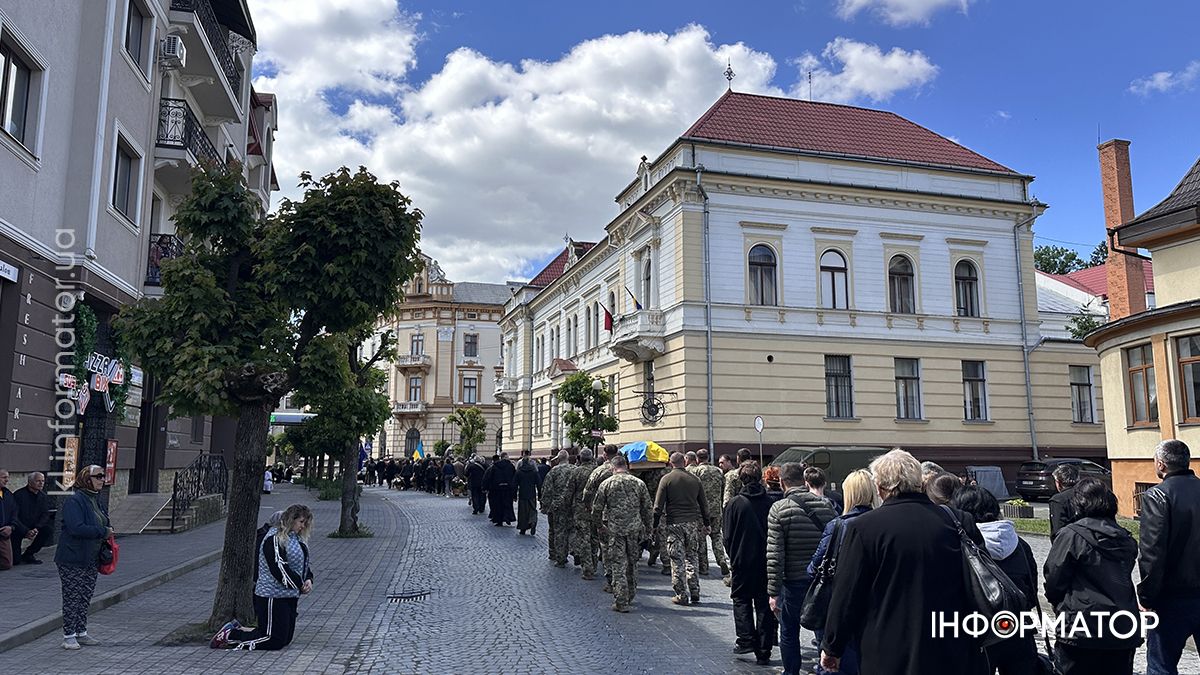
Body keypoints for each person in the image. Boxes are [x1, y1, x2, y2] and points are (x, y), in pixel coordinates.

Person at [821, 449, 978, 675]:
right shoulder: (958, 520)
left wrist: (832, 647)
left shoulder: (864, 527)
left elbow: (846, 594)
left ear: (881, 488)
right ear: (919, 482)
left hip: (887, 649)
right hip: (950, 644)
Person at [1043, 478, 1141, 674]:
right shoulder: (1125, 537)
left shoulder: (1071, 535)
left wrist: (1059, 605)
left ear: (1078, 505)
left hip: (1081, 626)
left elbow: (1053, 578)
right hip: (1121, 624)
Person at [951, 485, 1038, 675]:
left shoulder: (963, 548)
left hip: (979, 630)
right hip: (1019, 626)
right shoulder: (1021, 544)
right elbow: (1031, 591)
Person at [213, 504, 315, 651]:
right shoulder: (273, 539)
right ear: (291, 520)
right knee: (273, 641)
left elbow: (303, 564)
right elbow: (279, 568)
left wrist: (308, 580)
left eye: (305, 523)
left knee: (285, 639)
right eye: (301, 522)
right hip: (272, 595)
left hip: (289, 594)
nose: (303, 526)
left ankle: (240, 629)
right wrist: (299, 584)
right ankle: (230, 635)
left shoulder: (297, 540)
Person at [767, 462, 837, 675]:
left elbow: (775, 554)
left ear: (781, 482)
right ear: (804, 481)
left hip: (793, 581)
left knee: (789, 630)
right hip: (821, 580)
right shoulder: (826, 505)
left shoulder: (779, 509)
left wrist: (773, 591)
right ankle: (824, 669)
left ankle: (791, 672)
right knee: (821, 628)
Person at [1138, 439, 1200, 675]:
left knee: (1161, 664)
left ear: (1161, 464)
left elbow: (1152, 552)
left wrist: (1146, 596)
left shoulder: (1157, 496)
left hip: (1173, 596)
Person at [806, 469, 876, 675]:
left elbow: (815, 566)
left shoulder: (838, 525)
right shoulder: (882, 524)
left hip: (837, 606)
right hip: (872, 609)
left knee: (833, 663)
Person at [723, 460, 779, 666]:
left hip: (742, 560)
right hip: (766, 560)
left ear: (741, 479)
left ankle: (745, 639)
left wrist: (733, 555)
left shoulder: (735, 503)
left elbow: (727, 535)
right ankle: (764, 649)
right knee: (764, 604)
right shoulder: (771, 502)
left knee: (741, 599)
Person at [56, 465, 113, 650]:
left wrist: (107, 531)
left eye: (103, 476)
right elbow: (76, 527)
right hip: (73, 557)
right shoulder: (75, 501)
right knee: (72, 596)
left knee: (85, 596)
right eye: (98, 476)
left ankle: (81, 632)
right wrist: (102, 531)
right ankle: (69, 636)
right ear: (86, 479)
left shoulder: (96, 500)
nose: (102, 480)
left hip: (91, 557)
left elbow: (104, 520)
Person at [592, 454, 653, 612]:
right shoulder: (639, 483)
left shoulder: (607, 483)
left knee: (618, 564)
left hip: (615, 530)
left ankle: (621, 600)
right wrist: (649, 528)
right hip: (634, 530)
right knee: (632, 563)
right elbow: (647, 508)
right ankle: (631, 594)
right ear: (626, 466)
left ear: (612, 467)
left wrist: (599, 526)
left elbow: (597, 508)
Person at [653, 451, 710, 605]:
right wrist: (706, 523)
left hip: (674, 523)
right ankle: (695, 589)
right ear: (684, 462)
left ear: (671, 463)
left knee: (677, 559)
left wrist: (653, 525)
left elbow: (658, 507)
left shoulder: (666, 480)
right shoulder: (695, 480)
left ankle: (681, 594)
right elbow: (704, 505)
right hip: (692, 523)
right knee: (692, 557)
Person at [686, 449, 730, 580]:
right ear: (708, 457)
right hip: (716, 509)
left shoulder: (695, 472)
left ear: (698, 459)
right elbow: (723, 488)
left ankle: (704, 567)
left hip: (700, 510)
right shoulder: (718, 471)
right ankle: (721, 559)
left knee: (701, 538)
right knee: (716, 535)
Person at [578, 446, 618, 583]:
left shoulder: (599, 471)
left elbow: (587, 492)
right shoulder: (626, 470)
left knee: (603, 545)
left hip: (603, 514)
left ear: (605, 455)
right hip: (623, 517)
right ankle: (624, 580)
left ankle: (607, 577)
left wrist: (589, 507)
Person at [541, 450, 575, 566]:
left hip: (557, 505)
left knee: (558, 531)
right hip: (572, 505)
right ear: (568, 458)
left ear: (558, 459)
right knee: (572, 529)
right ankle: (575, 550)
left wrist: (545, 506)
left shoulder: (553, 471)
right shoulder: (574, 470)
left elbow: (547, 490)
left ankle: (560, 557)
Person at [14, 472, 53, 565]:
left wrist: (36, 528)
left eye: (43, 481)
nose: (41, 483)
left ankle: (29, 554)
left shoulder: (43, 496)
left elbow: (45, 514)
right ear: (30, 482)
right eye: (38, 481)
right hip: (19, 528)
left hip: (34, 526)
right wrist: (25, 531)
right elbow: (14, 516)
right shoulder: (18, 495)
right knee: (15, 561)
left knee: (47, 530)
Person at [568, 448, 596, 573]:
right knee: (594, 538)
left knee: (584, 538)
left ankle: (587, 568)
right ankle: (594, 564)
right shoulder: (597, 471)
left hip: (580, 509)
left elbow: (569, 491)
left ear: (579, 458)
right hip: (596, 509)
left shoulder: (576, 472)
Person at [1049, 463, 1080, 540]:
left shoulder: (1058, 500)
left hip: (1069, 543)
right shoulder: (1087, 494)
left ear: (1058, 482)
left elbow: (1058, 529)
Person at [485, 453, 516, 526]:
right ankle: (508, 517)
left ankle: (499, 520)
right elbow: (514, 477)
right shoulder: (510, 466)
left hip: (497, 488)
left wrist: (488, 487)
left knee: (498, 505)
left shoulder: (495, 466)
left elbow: (490, 477)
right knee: (508, 504)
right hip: (508, 488)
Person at [515, 450, 542, 535]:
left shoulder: (519, 472)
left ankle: (523, 528)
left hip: (523, 493)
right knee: (532, 509)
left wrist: (514, 494)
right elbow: (539, 483)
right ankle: (533, 521)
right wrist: (540, 494)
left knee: (523, 512)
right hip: (532, 493)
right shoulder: (534, 471)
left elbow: (514, 483)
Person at [0, 469, 19, 570]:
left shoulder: (7, 494)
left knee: (7, 563)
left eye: (7, 477)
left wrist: (11, 527)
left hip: (4, 531)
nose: (7, 480)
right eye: (4, 477)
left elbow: (14, 512)